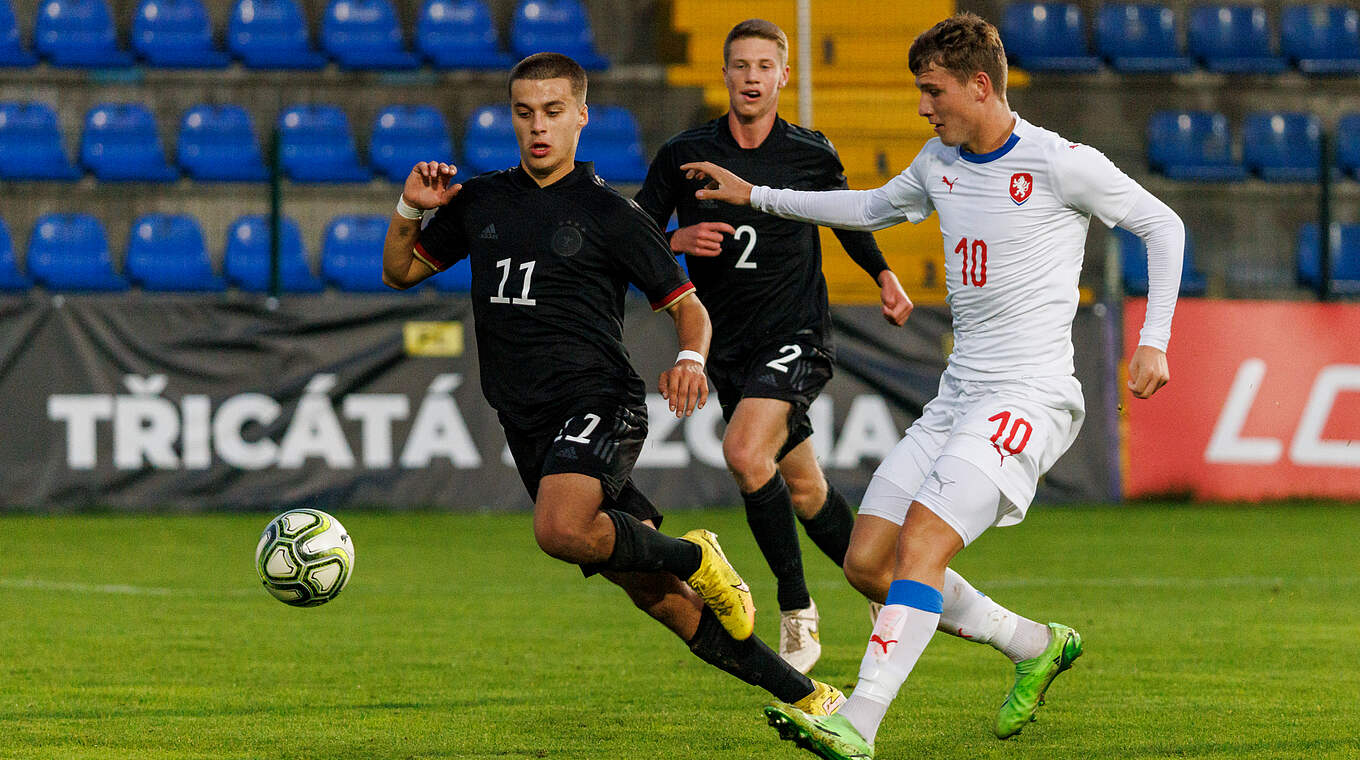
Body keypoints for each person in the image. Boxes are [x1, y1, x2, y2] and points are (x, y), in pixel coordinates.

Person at [679, 12, 1182, 759]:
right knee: (867, 564)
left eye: (931, 91)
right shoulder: (939, 161)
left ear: (980, 86)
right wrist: (756, 196)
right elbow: (869, 207)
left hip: (1028, 397)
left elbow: (1162, 225)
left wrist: (1153, 341)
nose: (922, 106)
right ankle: (1035, 644)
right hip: (957, 397)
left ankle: (859, 721)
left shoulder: (1058, 162)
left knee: (921, 547)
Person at [380, 52, 847, 733]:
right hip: (527, 422)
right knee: (659, 598)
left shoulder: (613, 214)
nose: (538, 127)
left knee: (560, 528)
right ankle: (810, 696)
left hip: (600, 404)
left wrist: (691, 359)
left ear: (580, 116)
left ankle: (699, 554)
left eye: (553, 112)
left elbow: (691, 308)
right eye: (524, 112)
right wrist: (407, 209)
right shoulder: (481, 201)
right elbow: (399, 271)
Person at [634, 18, 913, 675]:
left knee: (741, 452)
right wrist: (674, 241)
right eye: (741, 65)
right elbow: (636, 226)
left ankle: (796, 608)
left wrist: (882, 274)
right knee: (805, 485)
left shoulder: (808, 154)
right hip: (729, 346)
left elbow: (843, 214)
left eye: (765, 65)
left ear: (784, 75)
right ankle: (883, 586)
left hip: (796, 335)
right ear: (725, 74)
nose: (752, 77)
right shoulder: (683, 154)